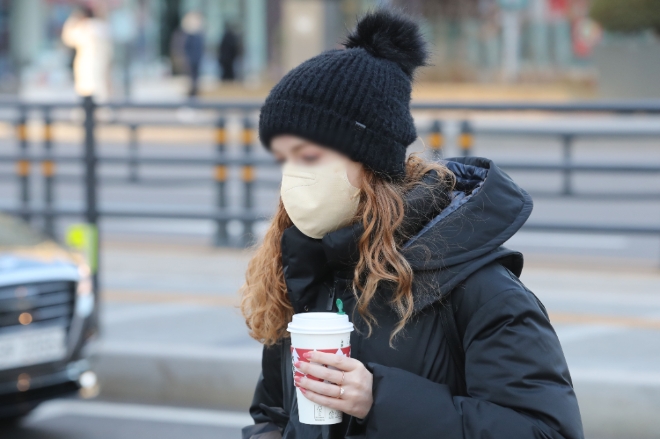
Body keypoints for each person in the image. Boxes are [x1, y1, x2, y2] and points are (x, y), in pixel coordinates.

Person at [240, 8, 584, 439]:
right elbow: (271, 415)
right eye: (286, 157)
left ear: (372, 162)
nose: (293, 176)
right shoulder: (308, 269)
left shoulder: (479, 289)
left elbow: (547, 431)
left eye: (310, 156)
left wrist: (378, 399)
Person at [61, 5, 112, 102]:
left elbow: (67, 37)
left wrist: (74, 18)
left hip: (86, 72)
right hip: (99, 71)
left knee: (87, 103)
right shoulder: (103, 29)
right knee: (101, 100)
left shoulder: (85, 29)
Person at [181, 11, 204, 97]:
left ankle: (195, 92)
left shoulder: (199, 35)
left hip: (197, 59)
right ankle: (191, 93)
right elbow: (187, 48)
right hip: (191, 60)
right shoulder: (190, 36)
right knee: (191, 78)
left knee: (196, 78)